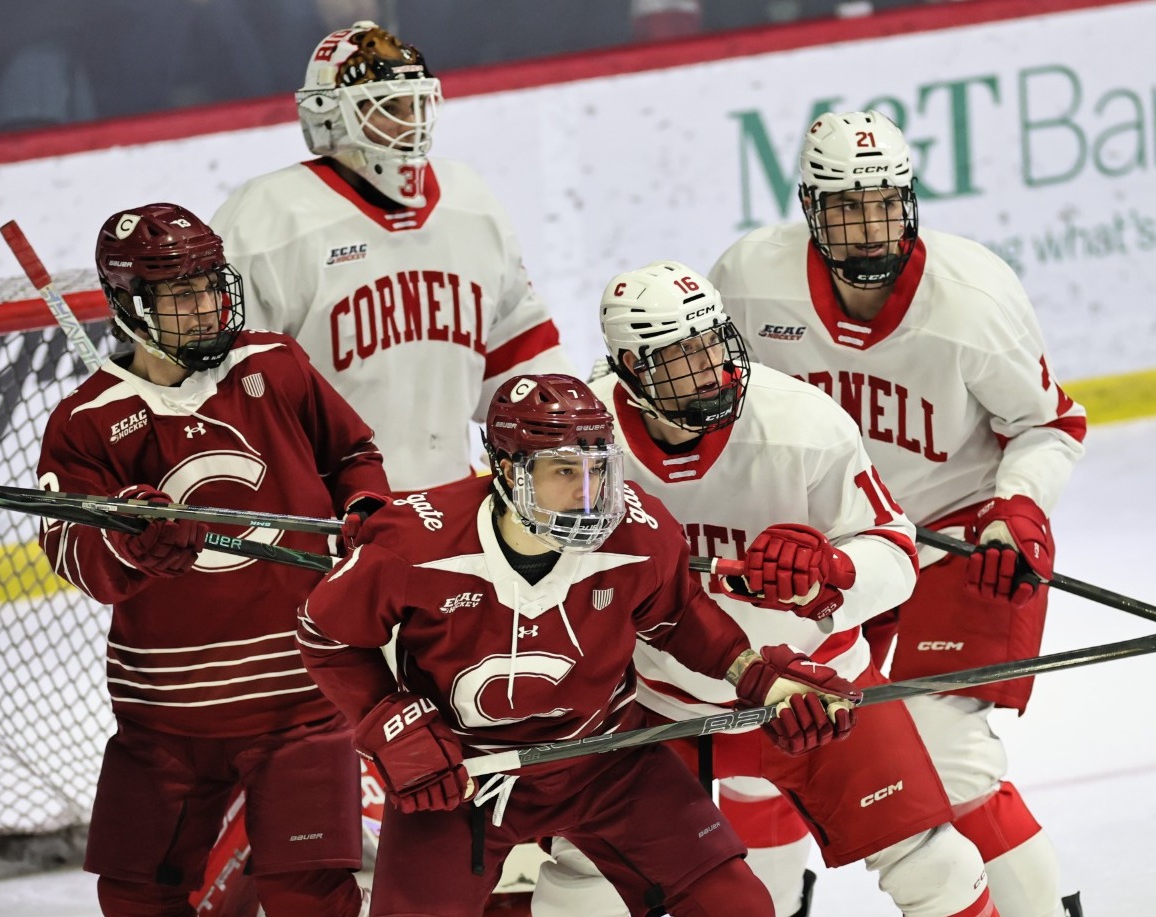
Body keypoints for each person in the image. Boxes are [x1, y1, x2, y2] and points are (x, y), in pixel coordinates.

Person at [296, 373, 863, 917]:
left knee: (736, 906)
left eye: (600, 469)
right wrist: (390, 719)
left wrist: (758, 676)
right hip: (465, 775)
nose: (589, 493)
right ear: (505, 469)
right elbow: (326, 634)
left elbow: (678, 617)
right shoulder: (415, 540)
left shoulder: (639, 530)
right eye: (564, 470)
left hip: (608, 759)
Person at [531, 262, 999, 917]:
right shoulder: (586, 441)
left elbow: (893, 552)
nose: (713, 373)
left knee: (936, 865)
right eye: (680, 359)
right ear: (631, 369)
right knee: (583, 881)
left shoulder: (801, 423)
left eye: (713, 345)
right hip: (661, 699)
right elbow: (529, 560)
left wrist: (830, 578)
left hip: (818, 684)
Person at [709, 110, 1089, 917]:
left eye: (883, 203)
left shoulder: (971, 300)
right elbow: (712, 410)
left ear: (909, 200)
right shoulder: (747, 281)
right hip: (818, 556)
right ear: (809, 207)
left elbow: (1050, 423)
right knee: (751, 748)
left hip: (954, 542)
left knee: (948, 759)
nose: (869, 226)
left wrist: (1016, 511)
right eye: (846, 207)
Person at [36, 202, 390, 917]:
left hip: (301, 696)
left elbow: (353, 456)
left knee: (311, 893)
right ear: (130, 305)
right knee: (135, 892)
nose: (203, 308)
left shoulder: (274, 365)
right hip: (164, 716)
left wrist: (361, 514)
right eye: (179, 294)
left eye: (209, 286)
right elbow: (76, 556)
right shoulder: (86, 422)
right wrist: (126, 538)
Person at [210, 19, 574, 494]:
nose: (410, 123)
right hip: (332, 517)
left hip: (455, 505)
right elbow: (225, 392)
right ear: (330, 115)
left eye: (416, 104)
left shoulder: (470, 202)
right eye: (386, 108)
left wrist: (564, 435)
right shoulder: (264, 222)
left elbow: (518, 357)